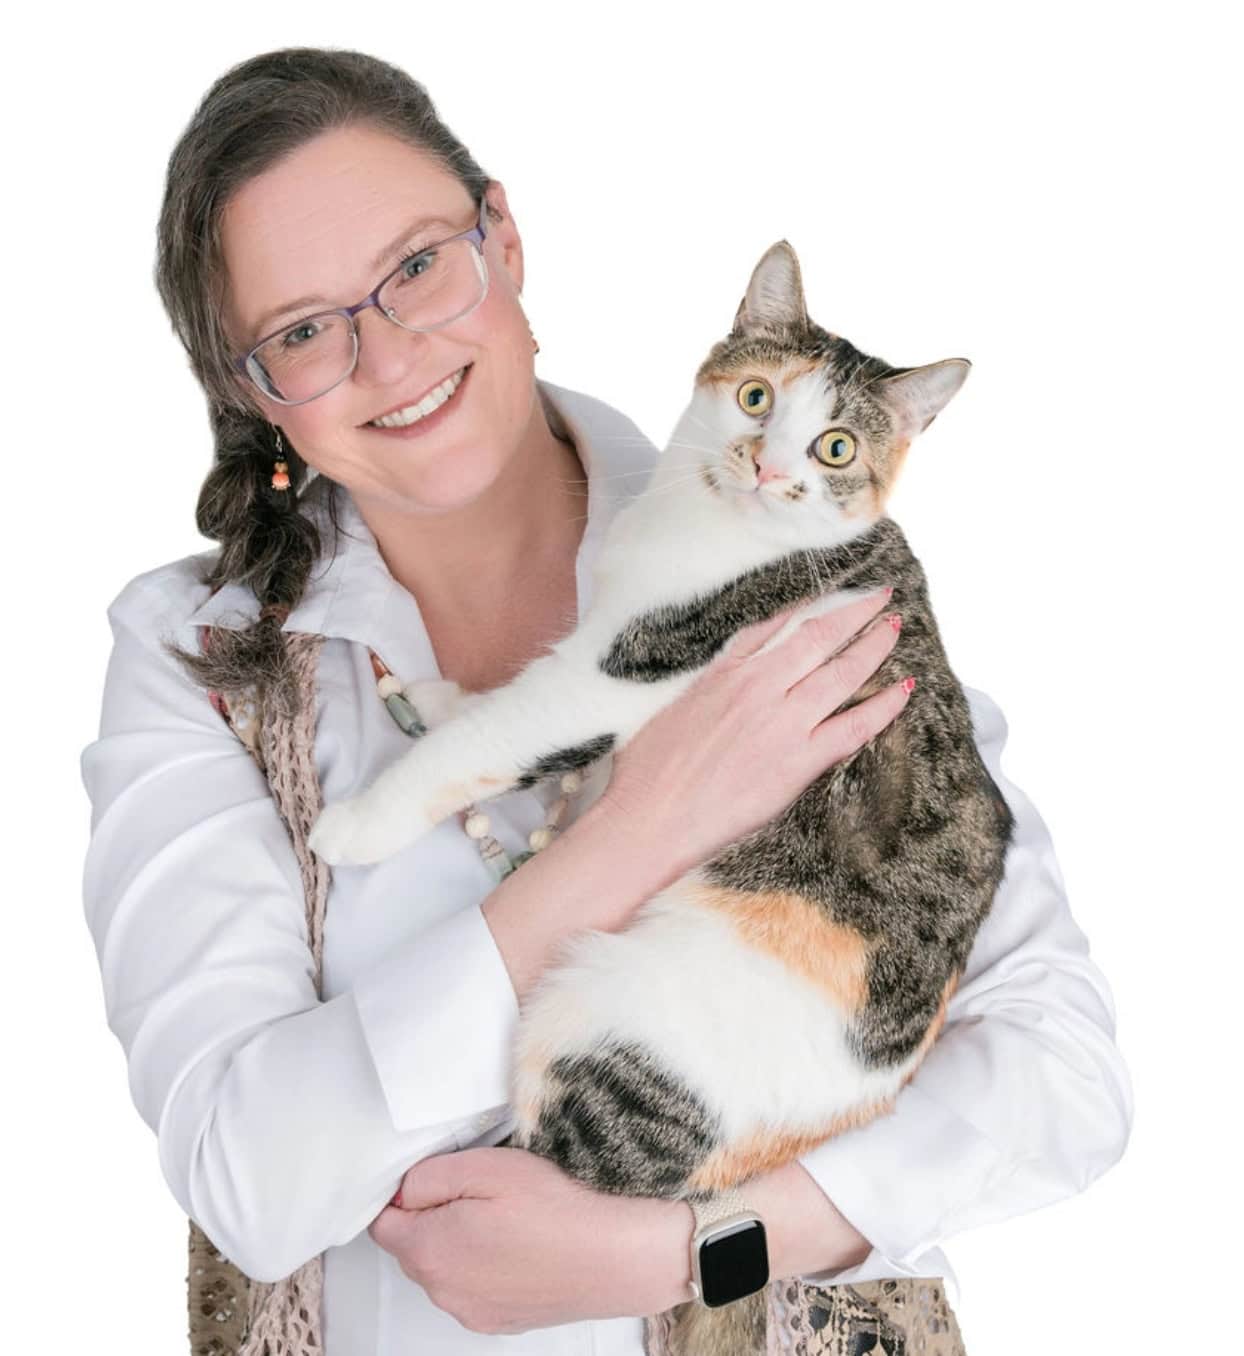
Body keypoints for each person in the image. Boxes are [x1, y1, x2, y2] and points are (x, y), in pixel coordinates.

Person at [79, 46, 1134, 1354]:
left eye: (416, 266)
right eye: (303, 329)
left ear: (502, 240)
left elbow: (1063, 1082)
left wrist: (680, 1252)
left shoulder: (794, 567)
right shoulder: (198, 651)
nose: (390, 351)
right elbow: (247, 1178)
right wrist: (634, 834)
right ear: (252, 388)